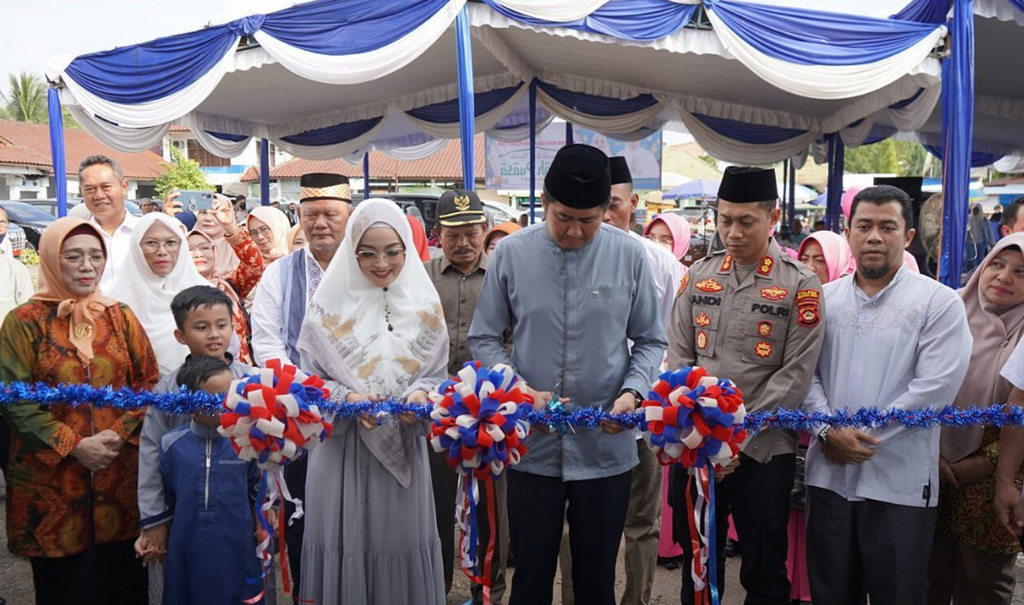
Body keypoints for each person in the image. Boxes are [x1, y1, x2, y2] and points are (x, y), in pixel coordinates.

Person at [469, 144, 666, 605]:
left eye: (588, 220)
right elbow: (484, 338)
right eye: (563, 218)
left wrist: (634, 393)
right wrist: (514, 388)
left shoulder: (630, 256)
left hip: (605, 442)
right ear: (544, 201)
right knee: (531, 573)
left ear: (607, 210)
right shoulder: (512, 254)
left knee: (597, 577)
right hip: (532, 443)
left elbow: (651, 340)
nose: (575, 231)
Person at [802, 185, 972, 605]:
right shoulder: (823, 300)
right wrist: (826, 430)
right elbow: (802, 374)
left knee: (897, 594)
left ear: (908, 236)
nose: (874, 236)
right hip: (828, 478)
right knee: (830, 593)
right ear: (848, 232)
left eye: (887, 227)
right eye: (864, 226)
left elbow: (935, 388)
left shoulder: (939, 303)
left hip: (899, 483)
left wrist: (855, 435)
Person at [668, 166, 825, 605]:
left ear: (772, 218)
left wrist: (733, 439)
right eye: (724, 220)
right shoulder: (699, 275)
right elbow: (680, 357)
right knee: (698, 561)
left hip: (762, 451)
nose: (732, 232)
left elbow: (795, 373)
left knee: (764, 568)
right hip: (698, 448)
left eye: (745, 221)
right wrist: (703, 434)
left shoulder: (800, 285)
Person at [0, 217, 159, 605]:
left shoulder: (119, 316)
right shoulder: (24, 322)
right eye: (73, 257)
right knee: (65, 588)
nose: (87, 266)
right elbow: (15, 397)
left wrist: (118, 434)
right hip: (52, 482)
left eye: (95, 256)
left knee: (123, 582)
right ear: (53, 260)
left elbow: (149, 382)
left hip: (117, 475)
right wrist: (74, 444)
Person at [297, 198, 448, 605]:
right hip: (342, 448)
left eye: (392, 251)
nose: (381, 262)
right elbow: (307, 381)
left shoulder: (425, 307)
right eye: (367, 252)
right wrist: (347, 398)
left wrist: (422, 395)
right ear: (352, 251)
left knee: (397, 542)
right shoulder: (326, 308)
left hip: (404, 445)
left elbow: (438, 375)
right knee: (346, 543)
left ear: (407, 250)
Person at [559, 155, 678, 605]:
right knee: (579, 520)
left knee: (641, 522)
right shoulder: (567, 254)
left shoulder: (657, 260)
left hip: (642, 407)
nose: (605, 214)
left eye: (613, 203)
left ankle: (638, 598)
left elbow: (666, 336)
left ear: (633, 204)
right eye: (595, 205)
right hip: (587, 412)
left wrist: (643, 391)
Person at [250, 172, 353, 597]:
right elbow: (268, 345)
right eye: (311, 214)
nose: (321, 223)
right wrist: (311, 396)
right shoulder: (279, 274)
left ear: (349, 216)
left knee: (353, 518)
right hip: (299, 418)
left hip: (355, 419)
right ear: (299, 217)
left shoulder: (367, 266)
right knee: (302, 518)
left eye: (331, 213)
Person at [135, 286, 257, 603]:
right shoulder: (169, 387)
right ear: (181, 334)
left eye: (222, 325)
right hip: (184, 517)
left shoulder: (251, 382)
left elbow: (267, 460)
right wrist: (154, 520)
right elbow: (150, 452)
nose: (214, 335)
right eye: (201, 327)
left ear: (234, 326)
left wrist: (265, 515)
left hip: (239, 516)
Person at [927, 234, 1024, 605]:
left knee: (984, 585)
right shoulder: (948, 314)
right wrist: (930, 454)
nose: (1003, 277)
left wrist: (988, 462)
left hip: (997, 478)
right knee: (927, 577)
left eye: (1020, 272)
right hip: (931, 466)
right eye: (997, 265)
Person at [426, 189, 507, 604]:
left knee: (490, 506)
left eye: (471, 232)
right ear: (437, 234)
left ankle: (487, 588)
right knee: (436, 503)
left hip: (490, 416)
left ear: (485, 231)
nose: (463, 242)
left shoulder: (503, 276)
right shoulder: (419, 276)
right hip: (434, 413)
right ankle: (435, 587)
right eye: (452, 233)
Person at [155, 355, 264, 605]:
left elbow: (254, 487)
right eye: (213, 399)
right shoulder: (171, 444)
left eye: (229, 396)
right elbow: (168, 490)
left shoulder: (245, 442)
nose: (224, 405)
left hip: (236, 543)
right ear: (189, 402)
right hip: (187, 544)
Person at [113, 213, 209, 376]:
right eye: (151, 243)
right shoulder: (118, 302)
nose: (162, 251)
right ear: (137, 247)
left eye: (171, 243)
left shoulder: (205, 294)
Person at [186, 195, 265, 364]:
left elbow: (255, 266)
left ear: (214, 252)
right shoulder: (173, 288)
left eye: (204, 247)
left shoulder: (228, 284)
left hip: (237, 374)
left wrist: (231, 228)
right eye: (190, 248)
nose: (198, 253)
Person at [78, 155, 140, 294]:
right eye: (90, 189)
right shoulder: (75, 239)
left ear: (124, 187)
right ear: (81, 191)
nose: (99, 195)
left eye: (106, 187)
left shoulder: (145, 233)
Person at [968, 203, 996, 271]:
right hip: (970, 242)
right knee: (970, 259)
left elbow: (989, 232)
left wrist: (992, 243)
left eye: (977, 210)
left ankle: (978, 272)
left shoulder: (984, 219)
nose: (975, 211)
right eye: (974, 210)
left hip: (981, 242)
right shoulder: (968, 218)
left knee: (980, 259)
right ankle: (970, 272)